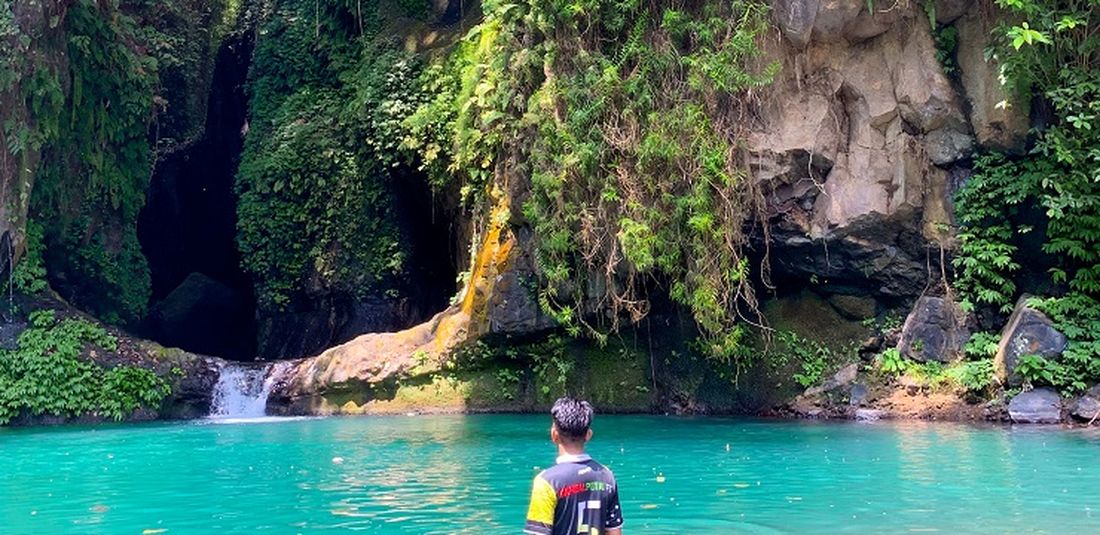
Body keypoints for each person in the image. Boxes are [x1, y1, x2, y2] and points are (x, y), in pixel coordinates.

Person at [524, 397, 623, 535]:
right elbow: (614, 532)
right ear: (588, 435)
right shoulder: (607, 476)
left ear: (554, 435)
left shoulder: (546, 482)